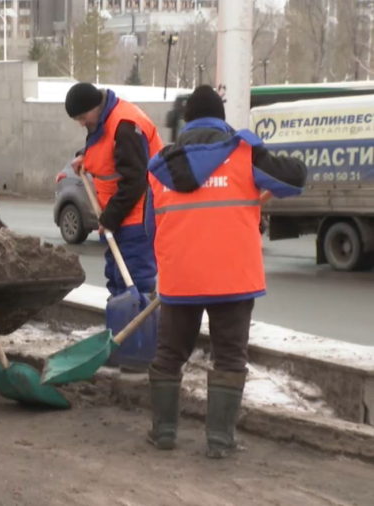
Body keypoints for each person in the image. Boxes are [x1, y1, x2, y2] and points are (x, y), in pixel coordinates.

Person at [143, 85, 307, 458]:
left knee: (169, 353)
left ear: (186, 122)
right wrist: (258, 150)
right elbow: (295, 178)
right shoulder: (245, 155)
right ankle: (220, 440)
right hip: (233, 279)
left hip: (180, 280)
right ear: (221, 118)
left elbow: (151, 229)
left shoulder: (161, 166)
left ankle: (164, 432)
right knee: (230, 356)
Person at [65, 83, 160, 303]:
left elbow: (135, 181)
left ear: (95, 106)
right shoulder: (103, 120)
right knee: (117, 280)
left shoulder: (125, 125)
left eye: (82, 117)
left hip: (137, 218)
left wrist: (110, 218)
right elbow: (106, 151)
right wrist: (84, 156)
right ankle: (121, 332)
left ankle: (138, 332)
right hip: (118, 217)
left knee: (135, 282)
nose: (82, 123)